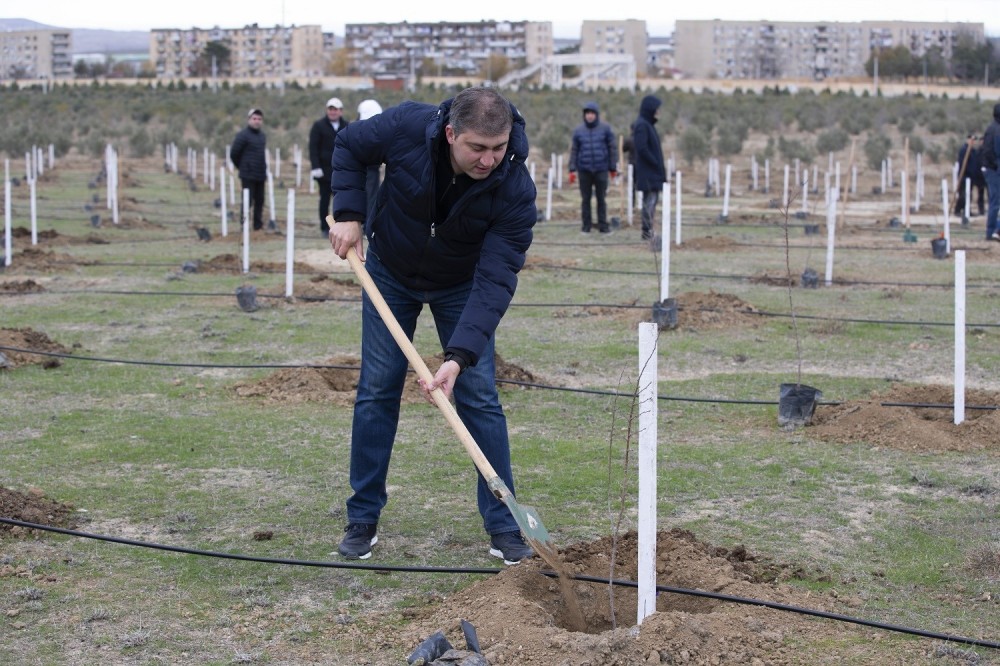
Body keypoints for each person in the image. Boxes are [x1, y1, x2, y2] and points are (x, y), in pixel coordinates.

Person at [328, 87, 537, 565]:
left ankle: (505, 525)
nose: (489, 160)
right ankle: (362, 518)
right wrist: (350, 213)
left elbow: (497, 278)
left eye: (498, 148)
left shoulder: (514, 188)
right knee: (377, 390)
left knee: (480, 397)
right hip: (389, 273)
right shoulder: (405, 127)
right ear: (450, 134)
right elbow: (350, 145)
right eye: (477, 148)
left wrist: (459, 356)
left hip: (461, 286)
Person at [569, 101, 617, 234]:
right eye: (587, 113)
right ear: (584, 115)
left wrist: (613, 168)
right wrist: (572, 169)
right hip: (584, 170)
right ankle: (586, 227)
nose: (589, 116)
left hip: (601, 169)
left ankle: (603, 227)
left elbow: (612, 148)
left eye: (592, 113)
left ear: (596, 115)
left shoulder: (605, 129)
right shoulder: (578, 131)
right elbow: (574, 150)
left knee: (601, 199)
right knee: (585, 200)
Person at [309, 97, 348, 236]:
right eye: (330, 109)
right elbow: (313, 148)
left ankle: (340, 228)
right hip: (324, 172)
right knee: (324, 200)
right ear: (327, 110)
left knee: (341, 201)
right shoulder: (318, 126)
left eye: (335, 109)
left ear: (341, 111)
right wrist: (315, 167)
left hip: (341, 171)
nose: (333, 112)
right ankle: (325, 228)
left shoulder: (346, 126)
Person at [631, 95, 667, 242]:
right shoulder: (642, 125)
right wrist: (655, 163)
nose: (658, 112)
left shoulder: (648, 125)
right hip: (648, 173)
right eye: (656, 109)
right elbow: (642, 148)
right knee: (649, 203)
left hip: (653, 172)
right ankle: (646, 232)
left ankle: (648, 230)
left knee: (651, 202)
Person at [230, 108, 267, 231]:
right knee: (247, 201)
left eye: (259, 119)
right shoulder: (242, 135)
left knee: (260, 201)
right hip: (247, 175)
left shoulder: (262, 136)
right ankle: (244, 226)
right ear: (249, 120)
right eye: (254, 118)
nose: (257, 121)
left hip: (260, 174)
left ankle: (258, 226)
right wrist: (243, 167)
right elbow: (234, 154)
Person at [356, 98, 384, 216]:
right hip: (364, 169)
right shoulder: (363, 130)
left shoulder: (359, 129)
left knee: (370, 198)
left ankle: (367, 223)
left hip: (370, 169)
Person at [980, 103, 1000, 241]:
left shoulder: (992, 128)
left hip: (992, 169)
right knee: (995, 201)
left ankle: (994, 230)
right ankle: (991, 231)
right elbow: (992, 152)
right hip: (994, 170)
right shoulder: (996, 130)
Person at [954, 134, 985, 218]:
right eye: (972, 140)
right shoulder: (964, 150)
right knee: (963, 195)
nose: (973, 142)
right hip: (964, 176)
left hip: (971, 177)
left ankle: (967, 210)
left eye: (974, 140)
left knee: (969, 195)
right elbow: (962, 164)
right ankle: (957, 210)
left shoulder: (973, 151)